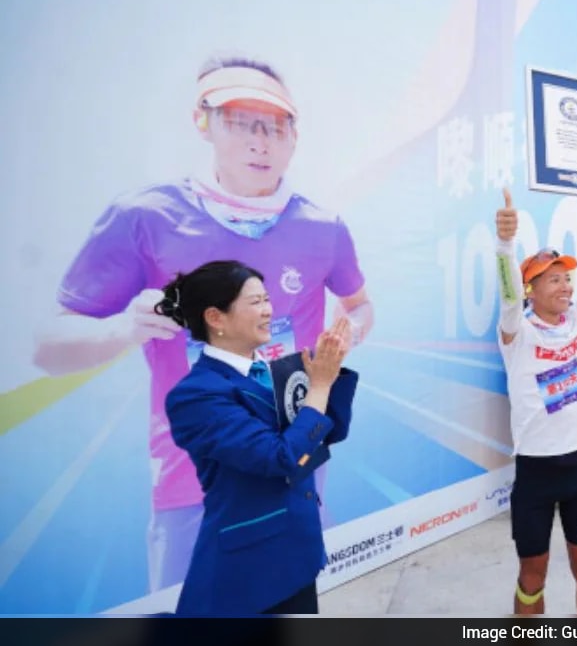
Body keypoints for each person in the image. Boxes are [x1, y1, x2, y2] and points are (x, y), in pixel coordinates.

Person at [31, 55, 373, 592]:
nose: (261, 140)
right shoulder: (145, 217)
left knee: (291, 604)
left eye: (276, 125)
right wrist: (123, 328)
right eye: (241, 121)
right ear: (204, 123)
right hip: (195, 483)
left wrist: (347, 332)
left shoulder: (322, 227)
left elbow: (359, 304)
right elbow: (49, 347)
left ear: (294, 136)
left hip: (295, 467)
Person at [159, 260, 354, 615]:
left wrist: (331, 374)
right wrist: (320, 385)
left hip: (297, 552)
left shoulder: (272, 370)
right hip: (249, 570)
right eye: (255, 302)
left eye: (267, 300)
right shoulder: (197, 395)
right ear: (216, 318)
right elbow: (280, 458)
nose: (268, 311)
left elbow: (324, 436)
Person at [493, 177, 577, 615]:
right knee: (532, 574)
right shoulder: (519, 333)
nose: (566, 287)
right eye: (553, 280)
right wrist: (505, 244)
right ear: (532, 289)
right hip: (535, 469)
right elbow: (509, 296)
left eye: (567, 278)